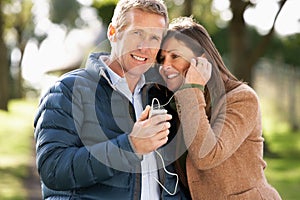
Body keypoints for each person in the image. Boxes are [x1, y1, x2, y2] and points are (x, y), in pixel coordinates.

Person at [33, 0, 188, 199]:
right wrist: (130, 146)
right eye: (137, 33)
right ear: (113, 33)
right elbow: (53, 170)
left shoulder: (158, 98)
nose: (144, 47)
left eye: (154, 38)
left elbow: (169, 179)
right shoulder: (67, 91)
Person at [157, 16, 282, 199]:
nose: (165, 66)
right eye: (161, 59)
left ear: (202, 61)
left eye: (175, 56)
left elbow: (206, 156)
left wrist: (192, 88)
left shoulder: (242, 99)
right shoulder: (174, 104)